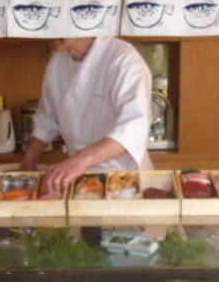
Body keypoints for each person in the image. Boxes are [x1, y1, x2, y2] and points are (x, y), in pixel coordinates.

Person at [20, 36, 153, 195]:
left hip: (122, 178)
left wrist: (80, 161)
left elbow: (133, 129)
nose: (48, 33)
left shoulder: (124, 59)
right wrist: (29, 160)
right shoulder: (58, 62)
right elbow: (48, 118)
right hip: (78, 174)